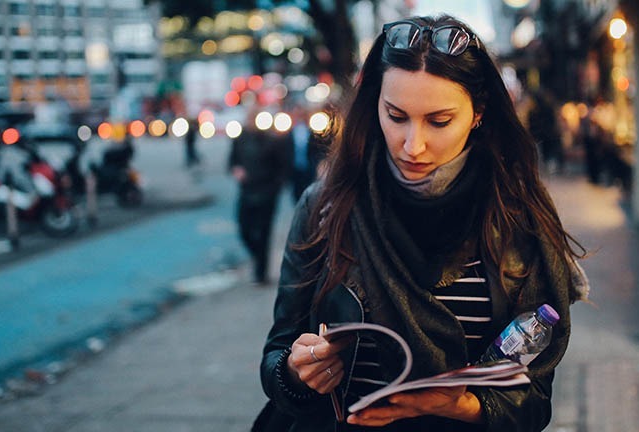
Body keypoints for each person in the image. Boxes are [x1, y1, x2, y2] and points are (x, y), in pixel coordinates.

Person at [256, 14, 589, 431]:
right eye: (396, 116)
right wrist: (296, 373)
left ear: (479, 113)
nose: (413, 145)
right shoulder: (326, 207)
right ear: (375, 103)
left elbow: (534, 402)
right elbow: (277, 355)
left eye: (439, 121)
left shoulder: (516, 219)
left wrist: (461, 405)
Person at [229, 103, 292, 285]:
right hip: (247, 190)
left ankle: (260, 273)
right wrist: (237, 170)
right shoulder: (240, 138)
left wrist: (276, 187)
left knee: (264, 232)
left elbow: (282, 166)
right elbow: (233, 160)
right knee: (244, 229)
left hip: (267, 192)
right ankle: (258, 257)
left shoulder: (272, 140)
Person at [287, 104, 326, 203]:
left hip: (309, 168)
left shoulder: (313, 132)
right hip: (294, 169)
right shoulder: (289, 133)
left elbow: (318, 150)